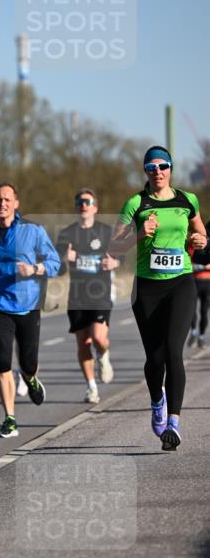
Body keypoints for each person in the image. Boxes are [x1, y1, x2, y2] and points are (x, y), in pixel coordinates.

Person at [109, 146, 207, 450]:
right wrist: (140, 232)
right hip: (147, 289)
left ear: (171, 168)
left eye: (163, 166)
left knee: (174, 353)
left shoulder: (187, 200)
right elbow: (114, 247)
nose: (158, 171)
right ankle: (156, 402)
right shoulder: (136, 203)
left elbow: (201, 235)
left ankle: (173, 424)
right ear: (145, 172)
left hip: (180, 283)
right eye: (151, 167)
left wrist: (200, 239)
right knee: (154, 358)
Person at [0, 183, 61, 438]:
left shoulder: (33, 232)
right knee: (4, 362)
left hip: (29, 305)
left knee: (28, 362)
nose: (2, 204)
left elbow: (55, 263)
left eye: (7, 199)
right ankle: (9, 418)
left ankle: (30, 379)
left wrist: (34, 270)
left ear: (16, 203)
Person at [55, 189, 121, 404]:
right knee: (83, 344)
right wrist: (65, 258)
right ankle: (91, 387)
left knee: (99, 338)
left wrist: (114, 263)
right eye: (79, 202)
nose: (83, 205)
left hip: (100, 293)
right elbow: (58, 269)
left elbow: (119, 258)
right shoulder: (66, 234)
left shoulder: (105, 231)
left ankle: (103, 356)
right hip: (77, 296)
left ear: (95, 207)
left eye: (87, 201)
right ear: (76, 207)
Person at [187, 218, 210, 348]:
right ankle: (193, 332)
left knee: (203, 311)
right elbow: (189, 262)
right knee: (191, 310)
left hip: (207, 283)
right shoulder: (191, 246)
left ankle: (201, 336)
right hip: (194, 281)